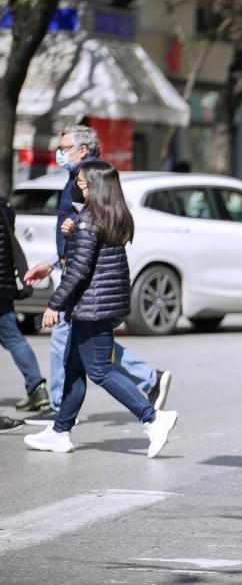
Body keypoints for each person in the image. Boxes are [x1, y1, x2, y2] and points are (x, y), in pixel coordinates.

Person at [24, 162, 178, 456]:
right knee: (73, 368)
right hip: (100, 305)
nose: (76, 187)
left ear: (94, 186)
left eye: (81, 183)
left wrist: (54, 305)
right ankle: (60, 431)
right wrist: (72, 235)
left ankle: (154, 418)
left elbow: (79, 270)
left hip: (92, 306)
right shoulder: (109, 217)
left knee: (101, 371)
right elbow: (89, 259)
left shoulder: (88, 222)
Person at [0, 195, 48, 411]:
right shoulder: (4, 204)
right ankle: (38, 388)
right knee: (13, 337)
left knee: (12, 336)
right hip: (4, 282)